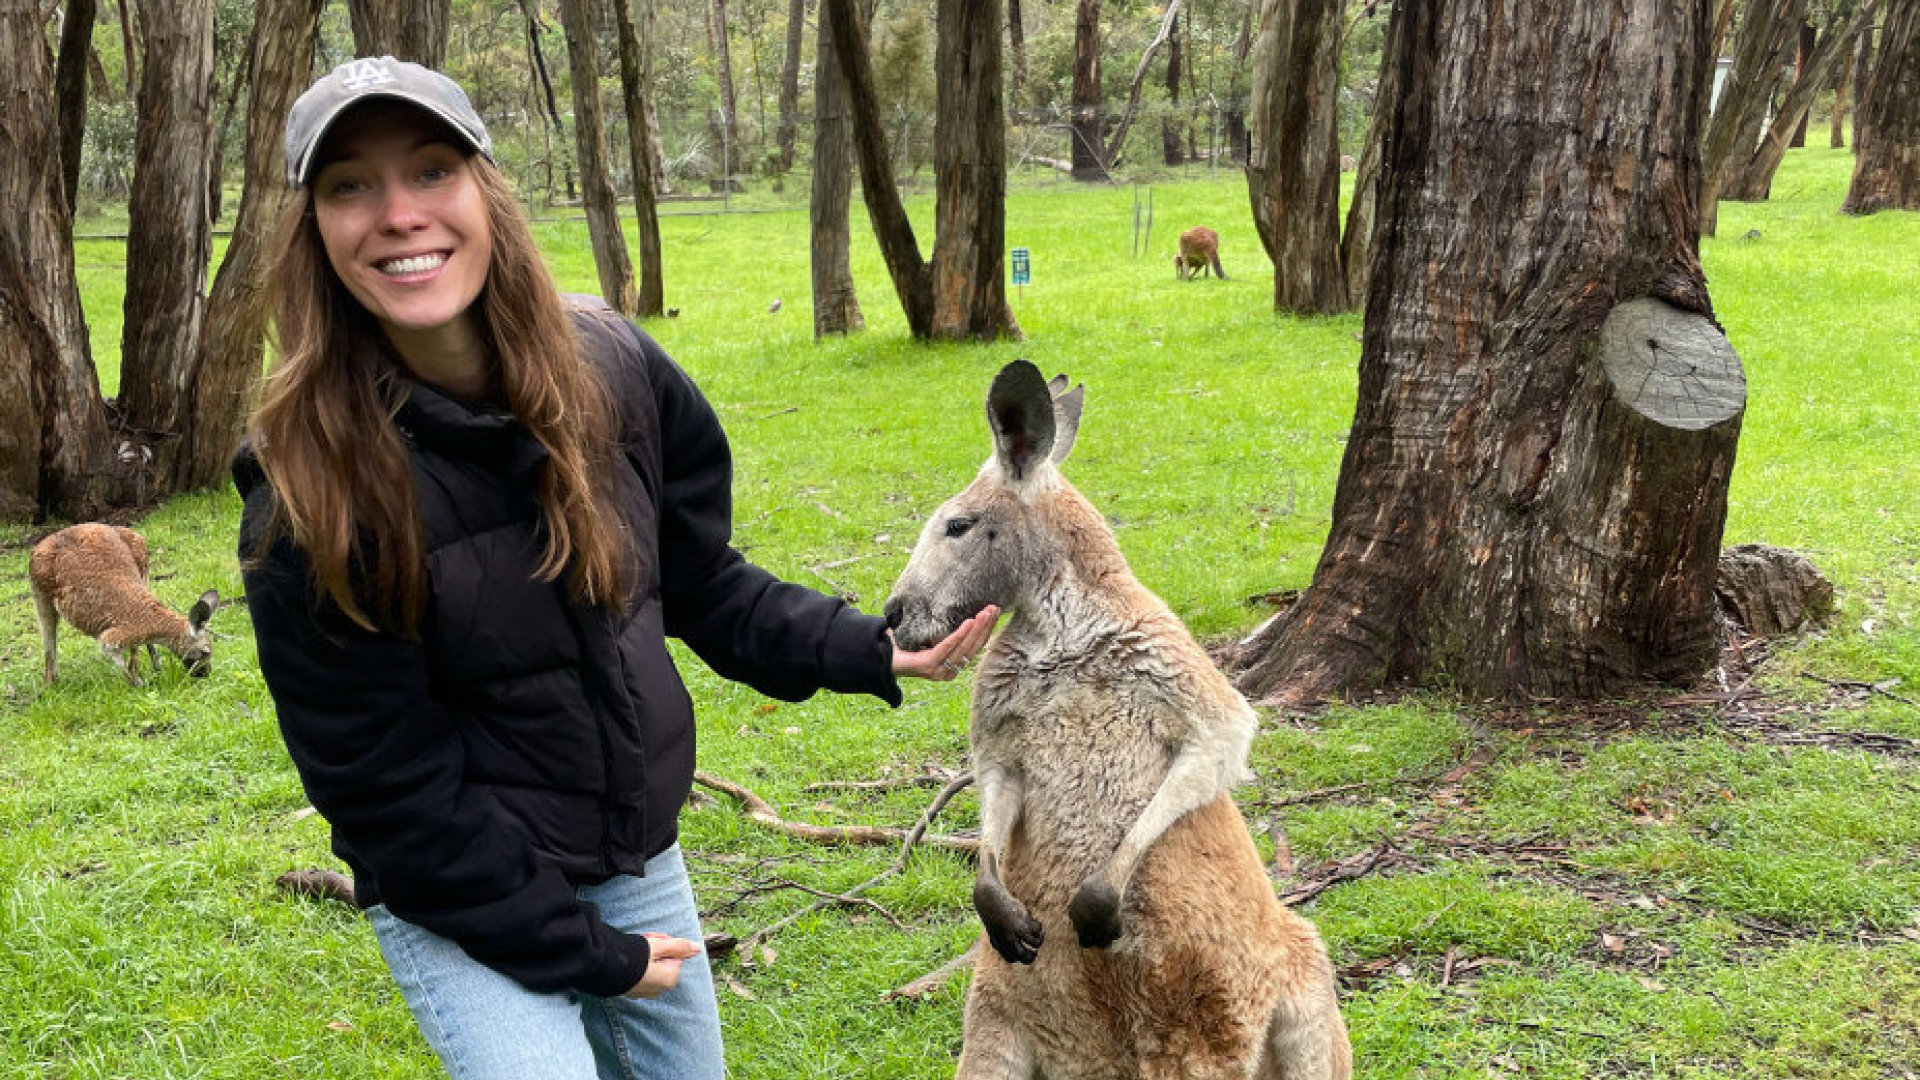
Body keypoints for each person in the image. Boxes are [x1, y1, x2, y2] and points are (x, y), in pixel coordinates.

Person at [234, 56, 997, 1080]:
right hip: (459, 890)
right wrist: (594, 956)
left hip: (630, 850)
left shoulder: (612, 368)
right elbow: (392, 799)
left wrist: (861, 649)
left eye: (430, 171)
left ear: (487, 194)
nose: (398, 214)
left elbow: (696, 578)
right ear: (316, 232)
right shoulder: (307, 496)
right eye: (350, 186)